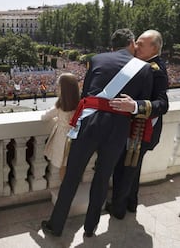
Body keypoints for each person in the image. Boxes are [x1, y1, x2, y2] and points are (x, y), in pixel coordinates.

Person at [41, 29, 154, 238]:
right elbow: (141, 105)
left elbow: (85, 97)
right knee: (102, 178)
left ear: (112, 45)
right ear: (131, 42)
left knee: (72, 176)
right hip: (118, 127)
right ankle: (90, 228)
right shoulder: (145, 69)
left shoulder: (96, 59)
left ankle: (56, 225)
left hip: (90, 123)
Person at [107, 30, 169, 219]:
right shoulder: (145, 65)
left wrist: (134, 106)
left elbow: (162, 104)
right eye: (137, 42)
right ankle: (131, 204)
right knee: (132, 170)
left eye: (141, 44)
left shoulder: (155, 69)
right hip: (138, 130)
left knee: (124, 170)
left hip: (140, 131)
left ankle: (118, 209)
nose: (136, 46)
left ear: (154, 48)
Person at [41, 73, 80, 181]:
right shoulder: (80, 104)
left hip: (63, 139)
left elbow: (44, 117)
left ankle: (64, 189)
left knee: (63, 165)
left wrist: (58, 119)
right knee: (72, 166)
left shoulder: (60, 105)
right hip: (76, 137)